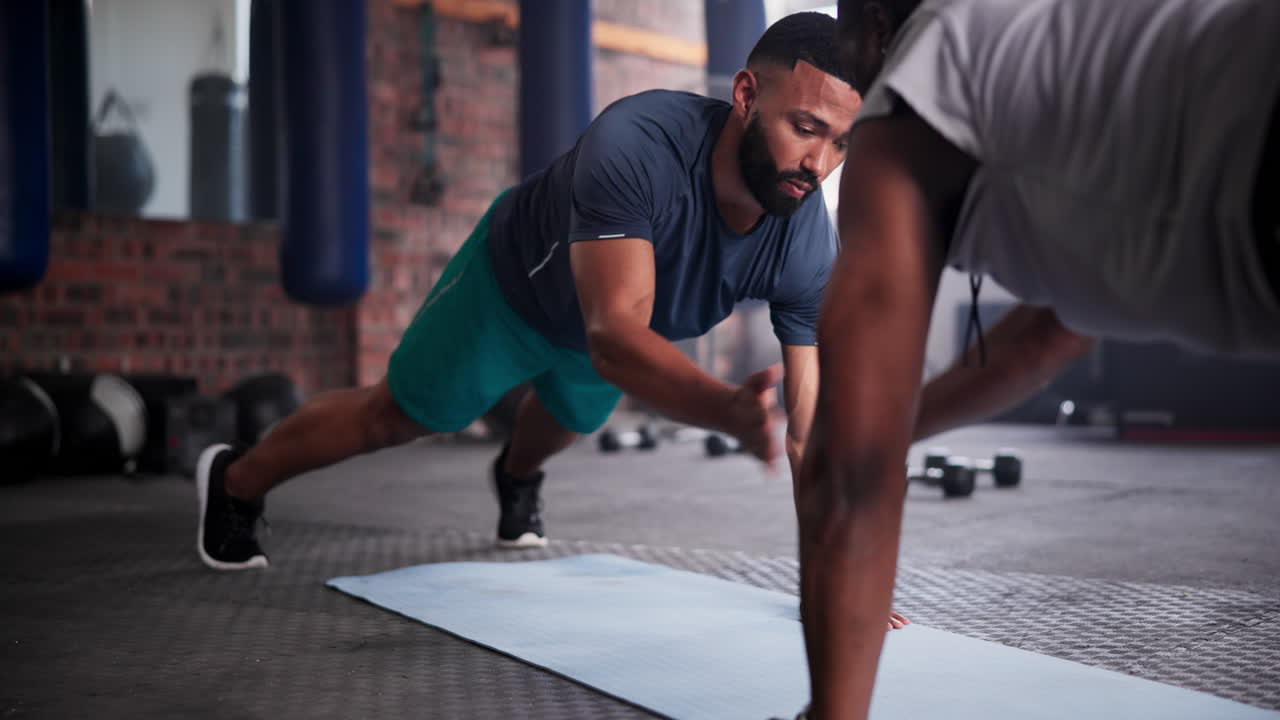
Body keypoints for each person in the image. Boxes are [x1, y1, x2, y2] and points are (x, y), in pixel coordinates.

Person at [195, 11, 907, 629]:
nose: (818, 164)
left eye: (840, 142)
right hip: (516, 292)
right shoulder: (639, 144)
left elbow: (811, 429)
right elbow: (612, 336)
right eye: (805, 127)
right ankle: (236, 479)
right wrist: (724, 407)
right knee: (402, 416)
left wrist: (841, 578)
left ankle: (515, 474)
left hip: (621, 330)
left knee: (568, 416)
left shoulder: (807, 239)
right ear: (748, 96)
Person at [793, 0, 1280, 717]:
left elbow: (854, 468)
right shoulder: (1048, 56)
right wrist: (899, 427)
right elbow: (1044, 338)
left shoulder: (921, 80)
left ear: (874, 27)